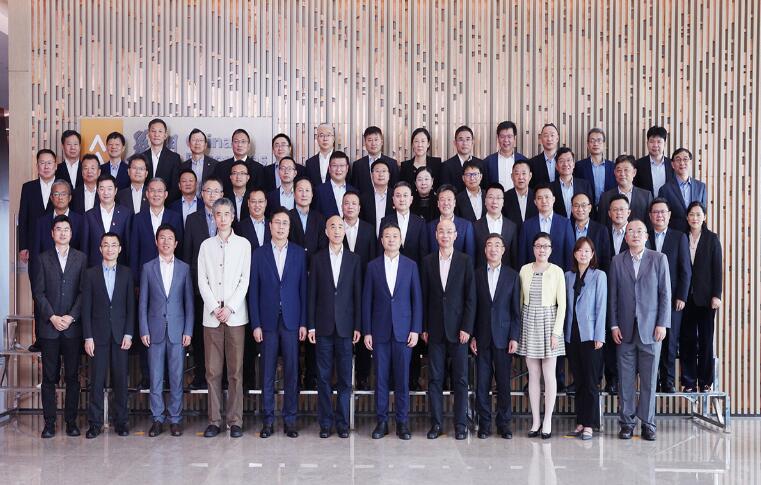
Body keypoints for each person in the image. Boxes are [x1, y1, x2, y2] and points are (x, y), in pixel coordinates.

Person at [609, 219, 671, 441]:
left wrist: (662, 323)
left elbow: (665, 294)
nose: (635, 235)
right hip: (624, 330)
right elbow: (613, 295)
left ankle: (648, 423)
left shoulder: (659, 259)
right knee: (625, 380)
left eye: (639, 231)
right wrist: (613, 324)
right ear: (625, 237)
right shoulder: (617, 261)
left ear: (646, 236)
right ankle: (626, 423)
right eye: (630, 231)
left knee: (649, 380)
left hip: (651, 330)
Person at [249, 208, 307, 438]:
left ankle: (290, 421)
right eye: (277, 223)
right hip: (267, 323)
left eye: (285, 223)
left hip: (292, 322)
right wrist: (255, 324)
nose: (281, 227)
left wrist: (303, 323)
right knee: (267, 373)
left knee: (292, 372)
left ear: (289, 228)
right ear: (270, 226)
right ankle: (268, 421)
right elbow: (253, 291)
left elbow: (303, 290)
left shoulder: (299, 253)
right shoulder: (259, 254)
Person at [197, 198, 251, 438]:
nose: (222, 218)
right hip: (211, 318)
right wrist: (214, 306)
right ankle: (214, 420)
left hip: (235, 316)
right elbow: (202, 280)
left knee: (235, 371)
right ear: (213, 216)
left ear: (233, 216)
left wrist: (229, 307)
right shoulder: (206, 246)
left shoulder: (243, 245)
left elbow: (244, 280)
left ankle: (235, 421)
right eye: (217, 214)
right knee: (212, 371)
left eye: (226, 214)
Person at [363, 222, 422, 440]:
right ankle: (381, 422)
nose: (391, 239)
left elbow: (417, 300)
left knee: (402, 379)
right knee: (380, 379)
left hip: (404, 332)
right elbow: (367, 300)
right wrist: (367, 331)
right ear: (381, 240)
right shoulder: (372, 266)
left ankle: (402, 423)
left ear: (400, 240)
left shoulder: (411, 265)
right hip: (379, 331)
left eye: (395, 236)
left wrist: (416, 329)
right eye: (387, 236)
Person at [307, 215, 362, 439]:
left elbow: (357, 295)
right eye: (333, 227)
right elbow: (311, 294)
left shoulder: (354, 259)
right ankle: (325, 423)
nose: (337, 230)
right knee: (323, 377)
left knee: (345, 379)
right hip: (323, 327)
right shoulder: (317, 259)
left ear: (344, 231)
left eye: (341, 226)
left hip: (346, 328)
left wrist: (358, 325)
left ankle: (342, 422)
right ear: (326, 232)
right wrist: (311, 326)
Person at [421, 219, 476, 440]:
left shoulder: (465, 261)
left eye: (449, 231)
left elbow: (470, 298)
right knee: (435, 379)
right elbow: (424, 297)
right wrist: (424, 327)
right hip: (434, 330)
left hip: (459, 331)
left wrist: (467, 328)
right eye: (441, 231)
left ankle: (461, 425)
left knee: (460, 380)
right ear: (436, 235)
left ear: (456, 235)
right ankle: (436, 424)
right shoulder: (427, 261)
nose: (445, 235)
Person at [33, 215, 87, 438]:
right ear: (52, 233)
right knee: (49, 378)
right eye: (58, 229)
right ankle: (49, 423)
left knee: (73, 377)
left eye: (66, 229)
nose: (63, 233)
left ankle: (71, 421)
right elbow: (38, 293)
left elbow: (84, 292)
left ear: (71, 234)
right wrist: (52, 317)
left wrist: (71, 317)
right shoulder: (42, 258)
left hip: (72, 328)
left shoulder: (81, 258)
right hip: (50, 328)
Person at [139, 224, 193, 437]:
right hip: (154, 331)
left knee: (177, 377)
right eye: (162, 237)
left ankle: (175, 419)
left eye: (170, 238)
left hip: (178, 331)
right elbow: (143, 302)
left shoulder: (184, 268)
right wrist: (143, 329)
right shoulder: (147, 268)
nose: (166, 241)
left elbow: (189, 303)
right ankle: (157, 418)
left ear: (176, 243)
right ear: (156, 241)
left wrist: (188, 330)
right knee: (156, 377)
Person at [81, 232, 135, 438]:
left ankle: (121, 422)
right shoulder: (90, 274)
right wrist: (88, 336)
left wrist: (129, 333)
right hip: (98, 336)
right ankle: (95, 424)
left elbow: (131, 307)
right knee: (96, 381)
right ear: (100, 249)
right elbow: (86, 308)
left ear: (119, 249)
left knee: (121, 380)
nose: (110, 249)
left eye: (114, 245)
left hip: (121, 336)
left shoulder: (127, 273)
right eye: (106, 245)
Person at [471, 233, 521, 439]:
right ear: (485, 250)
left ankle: (504, 424)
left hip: (504, 337)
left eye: (497, 245)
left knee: (503, 384)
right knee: (482, 384)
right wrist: (473, 336)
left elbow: (516, 310)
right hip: (482, 337)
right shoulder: (476, 274)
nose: (493, 249)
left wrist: (514, 337)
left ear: (503, 250)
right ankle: (484, 424)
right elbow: (472, 308)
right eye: (489, 245)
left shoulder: (512, 275)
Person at [517, 232, 566, 439]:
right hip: (529, 320)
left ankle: (547, 421)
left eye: (545, 246)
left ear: (551, 249)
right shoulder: (524, 269)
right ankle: (536, 420)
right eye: (538, 246)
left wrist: (556, 332)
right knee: (533, 375)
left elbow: (562, 305)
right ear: (533, 248)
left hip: (549, 321)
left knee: (549, 374)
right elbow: (519, 301)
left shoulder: (557, 271)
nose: (541, 250)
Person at [182, 177, 223, 390]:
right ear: (202, 194)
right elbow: (188, 255)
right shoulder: (192, 219)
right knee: (200, 334)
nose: (212, 195)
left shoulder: (228, 217)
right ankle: (200, 376)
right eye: (208, 191)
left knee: (222, 335)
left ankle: (222, 378)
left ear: (222, 195)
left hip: (223, 289)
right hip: (200, 289)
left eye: (216, 191)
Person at [564, 237, 607, 440]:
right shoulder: (568, 276)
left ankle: (589, 424)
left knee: (590, 381)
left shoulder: (599, 276)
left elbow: (601, 307)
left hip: (590, 334)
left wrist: (599, 335)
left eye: (587, 251)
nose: (583, 254)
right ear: (575, 253)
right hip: (571, 334)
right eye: (580, 250)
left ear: (592, 255)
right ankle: (580, 421)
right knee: (578, 380)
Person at [648, 198, 691, 393]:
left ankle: (668, 380)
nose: (659, 215)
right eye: (656, 212)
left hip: (673, 300)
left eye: (663, 212)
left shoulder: (679, 237)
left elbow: (685, 270)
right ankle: (653, 380)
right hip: (648, 300)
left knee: (670, 341)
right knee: (651, 340)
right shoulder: (644, 235)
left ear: (669, 215)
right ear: (650, 216)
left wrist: (682, 296)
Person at [680, 202, 722, 392]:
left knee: (706, 339)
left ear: (704, 217)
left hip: (706, 298)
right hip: (686, 297)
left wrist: (716, 295)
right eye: (691, 214)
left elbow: (717, 269)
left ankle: (705, 381)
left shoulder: (712, 239)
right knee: (687, 339)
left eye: (698, 214)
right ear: (687, 217)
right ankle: (689, 382)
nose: (694, 218)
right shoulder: (682, 237)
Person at [342, 190, 376, 389]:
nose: (350, 207)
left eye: (354, 203)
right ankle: (343, 377)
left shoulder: (369, 229)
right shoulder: (335, 227)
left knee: (363, 330)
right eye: (346, 203)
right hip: (341, 290)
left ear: (360, 207)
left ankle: (363, 376)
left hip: (363, 287)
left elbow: (372, 259)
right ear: (342, 206)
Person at [130, 177, 184, 286]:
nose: (156, 194)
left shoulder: (175, 217)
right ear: (147, 194)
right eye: (152, 191)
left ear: (165, 194)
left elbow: (180, 248)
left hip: (170, 275)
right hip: (145, 276)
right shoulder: (138, 218)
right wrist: (135, 280)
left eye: (159, 191)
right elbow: (134, 250)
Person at [517, 183, 575, 270]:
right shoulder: (526, 225)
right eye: (539, 198)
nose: (544, 201)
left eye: (547, 197)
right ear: (535, 202)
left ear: (553, 199)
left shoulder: (565, 224)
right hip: (533, 274)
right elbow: (522, 256)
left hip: (557, 275)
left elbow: (570, 255)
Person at [19, 149, 57, 269]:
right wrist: (23, 246)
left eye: (49, 163)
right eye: (42, 163)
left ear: (55, 166)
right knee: (36, 279)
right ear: (37, 166)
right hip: (34, 246)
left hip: (58, 246)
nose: (46, 167)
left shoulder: (64, 187)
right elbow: (23, 219)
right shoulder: (28, 188)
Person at [83, 175, 131, 267]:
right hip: (95, 268)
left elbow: (128, 245)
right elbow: (85, 247)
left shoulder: (126, 214)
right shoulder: (89, 215)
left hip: (119, 267)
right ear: (97, 191)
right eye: (102, 189)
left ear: (115, 191)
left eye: (109, 189)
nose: (106, 192)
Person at [657, 148, 707, 233]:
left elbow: (703, 213)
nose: (682, 163)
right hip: (675, 233)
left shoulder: (701, 187)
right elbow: (663, 216)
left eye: (685, 159)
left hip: (696, 233)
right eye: (678, 160)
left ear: (690, 162)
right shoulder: (665, 189)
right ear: (673, 164)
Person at [379, 181, 429, 265]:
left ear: (411, 199)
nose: (402, 199)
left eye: (405, 195)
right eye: (398, 196)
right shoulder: (385, 221)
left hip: (413, 269)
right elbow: (380, 250)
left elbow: (423, 253)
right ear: (393, 199)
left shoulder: (420, 223)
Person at [473, 183, 519, 269]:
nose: (494, 201)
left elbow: (514, 257)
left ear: (503, 202)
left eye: (498, 198)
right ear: (485, 201)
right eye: (491, 197)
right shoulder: (475, 226)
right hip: (481, 274)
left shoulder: (512, 227)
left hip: (505, 274)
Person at [598, 154, 653, 226]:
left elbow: (650, 224)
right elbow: (602, 224)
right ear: (614, 173)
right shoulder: (605, 197)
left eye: (626, 170)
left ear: (634, 172)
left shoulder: (646, 196)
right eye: (619, 170)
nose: (622, 174)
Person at [426, 184, 476, 261]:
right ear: (438, 203)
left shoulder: (466, 226)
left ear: (454, 203)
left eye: (449, 199)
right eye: (442, 199)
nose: (446, 203)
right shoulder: (429, 227)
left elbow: (470, 256)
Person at [141, 118, 182, 202]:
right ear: (148, 134)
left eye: (160, 131)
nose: (156, 134)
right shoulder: (142, 157)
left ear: (165, 135)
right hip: (144, 203)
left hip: (166, 204)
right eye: (153, 131)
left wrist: (163, 204)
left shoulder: (174, 158)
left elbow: (175, 187)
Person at [573, 128, 615, 209]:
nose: (595, 144)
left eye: (599, 140)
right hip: (586, 210)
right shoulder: (579, 166)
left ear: (604, 145)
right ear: (588, 145)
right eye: (592, 141)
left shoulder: (613, 167)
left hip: (609, 209)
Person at [351, 126, 399, 195]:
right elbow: (355, 190)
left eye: (376, 140)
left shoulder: (392, 163)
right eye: (370, 140)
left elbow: (396, 188)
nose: (373, 143)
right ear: (365, 143)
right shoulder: (358, 165)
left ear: (381, 142)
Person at [213, 128, 263, 196]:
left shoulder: (258, 168)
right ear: (232, 145)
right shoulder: (220, 167)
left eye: (243, 141)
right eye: (236, 141)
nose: (239, 145)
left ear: (248, 146)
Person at [569, 192, 611, 271]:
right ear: (572, 208)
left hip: (594, 275)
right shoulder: (567, 227)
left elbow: (606, 260)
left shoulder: (601, 230)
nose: (580, 209)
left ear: (590, 208)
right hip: (570, 274)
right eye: (576, 205)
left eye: (583, 205)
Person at [549, 147, 593, 219]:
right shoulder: (550, 188)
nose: (566, 164)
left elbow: (591, 211)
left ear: (573, 164)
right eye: (561, 161)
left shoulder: (585, 185)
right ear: (556, 166)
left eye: (569, 160)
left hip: (580, 225)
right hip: (559, 225)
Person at [439, 125, 486, 192]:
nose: (465, 143)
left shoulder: (481, 164)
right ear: (455, 143)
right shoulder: (446, 166)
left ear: (472, 142)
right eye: (461, 140)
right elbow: (445, 192)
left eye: (468, 139)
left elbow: (484, 189)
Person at [484, 120, 527, 190]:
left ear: (514, 138)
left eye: (509, 136)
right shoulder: (488, 162)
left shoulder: (524, 161)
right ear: (498, 138)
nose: (506, 140)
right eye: (502, 136)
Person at [634, 125, 675, 197]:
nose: (655, 145)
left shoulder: (672, 164)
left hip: (668, 204)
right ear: (647, 143)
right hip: (646, 204)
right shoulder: (638, 164)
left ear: (665, 144)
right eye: (652, 141)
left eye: (659, 142)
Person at [315, 151, 356, 218]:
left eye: (342, 166)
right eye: (334, 166)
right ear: (329, 168)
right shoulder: (319, 191)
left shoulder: (354, 191)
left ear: (347, 168)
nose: (338, 169)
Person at [360, 159, 394, 235]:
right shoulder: (363, 198)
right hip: (369, 239)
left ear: (389, 175)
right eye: (377, 171)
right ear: (371, 175)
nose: (381, 174)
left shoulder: (396, 196)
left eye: (384, 171)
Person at [181, 128, 218, 195]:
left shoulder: (215, 165)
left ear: (205, 145)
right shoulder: (182, 166)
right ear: (189, 144)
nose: (197, 143)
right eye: (194, 140)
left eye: (200, 140)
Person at [504, 159, 538, 228]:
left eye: (524, 173)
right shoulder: (505, 197)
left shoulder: (537, 196)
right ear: (512, 177)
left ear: (530, 176)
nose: (520, 177)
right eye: (517, 174)